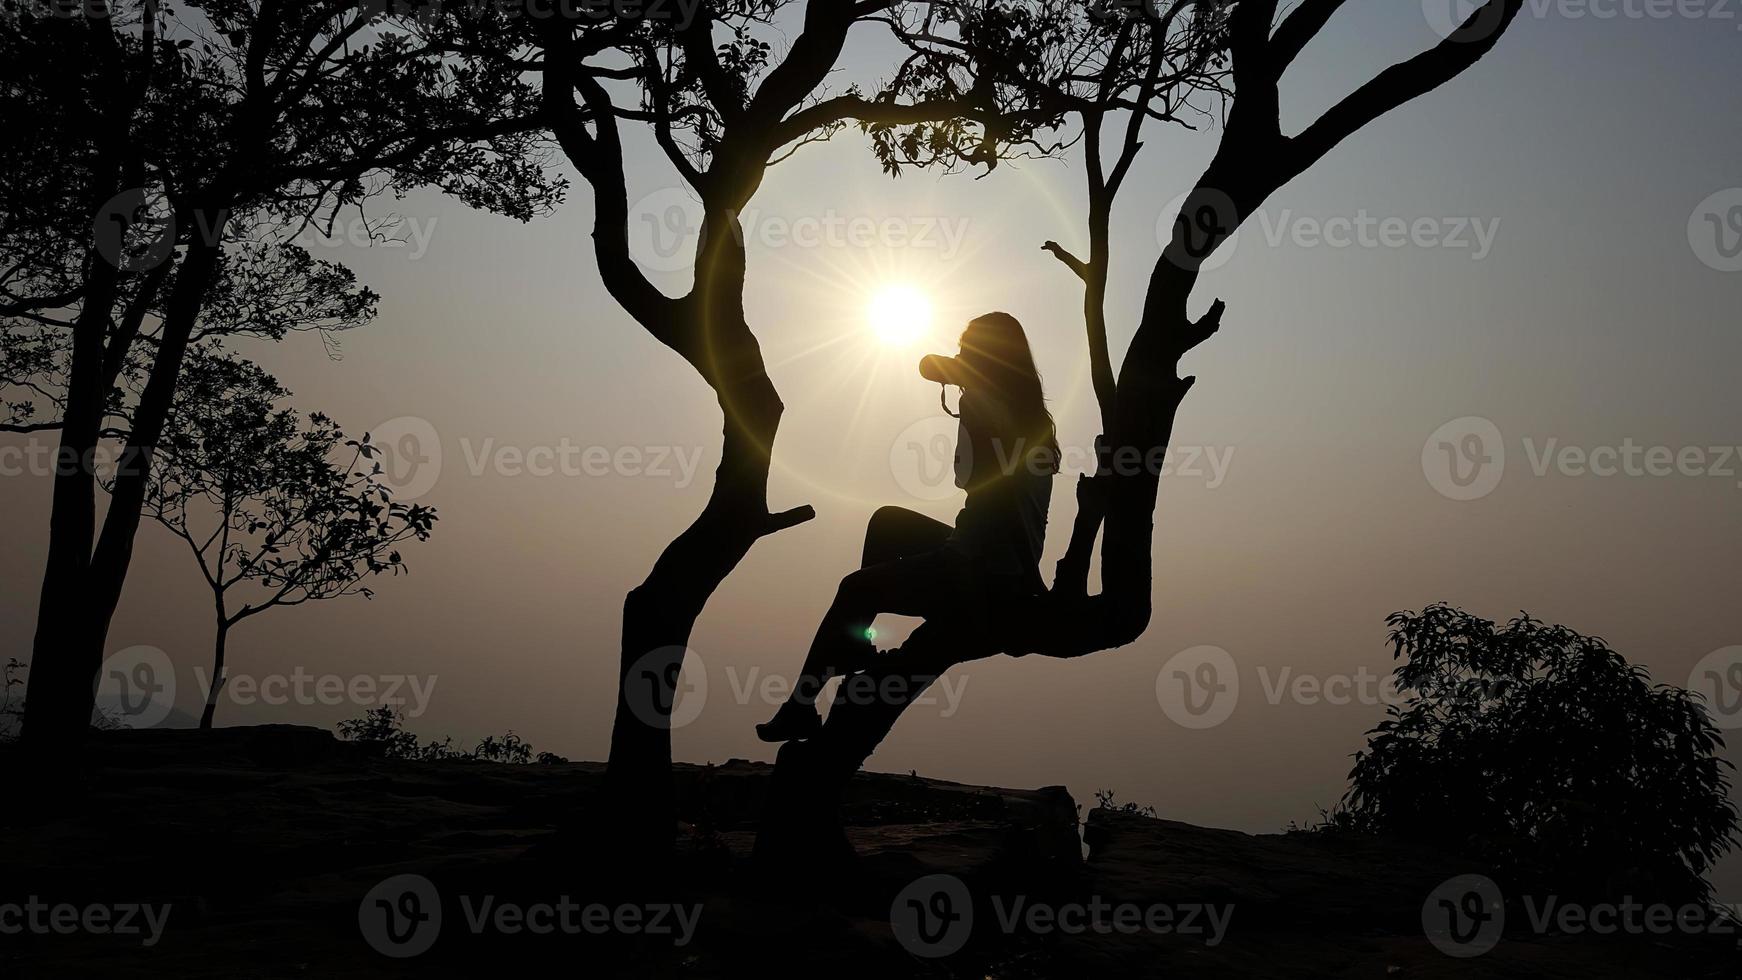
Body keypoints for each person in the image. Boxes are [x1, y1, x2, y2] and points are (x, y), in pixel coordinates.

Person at [756, 312, 1059, 742]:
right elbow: (927, 364)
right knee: (888, 523)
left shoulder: (982, 405)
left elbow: (996, 495)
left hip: (978, 568)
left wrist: (1021, 579)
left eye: (967, 349)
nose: (959, 356)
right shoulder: (1035, 418)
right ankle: (856, 642)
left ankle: (801, 705)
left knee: (854, 588)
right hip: (999, 560)